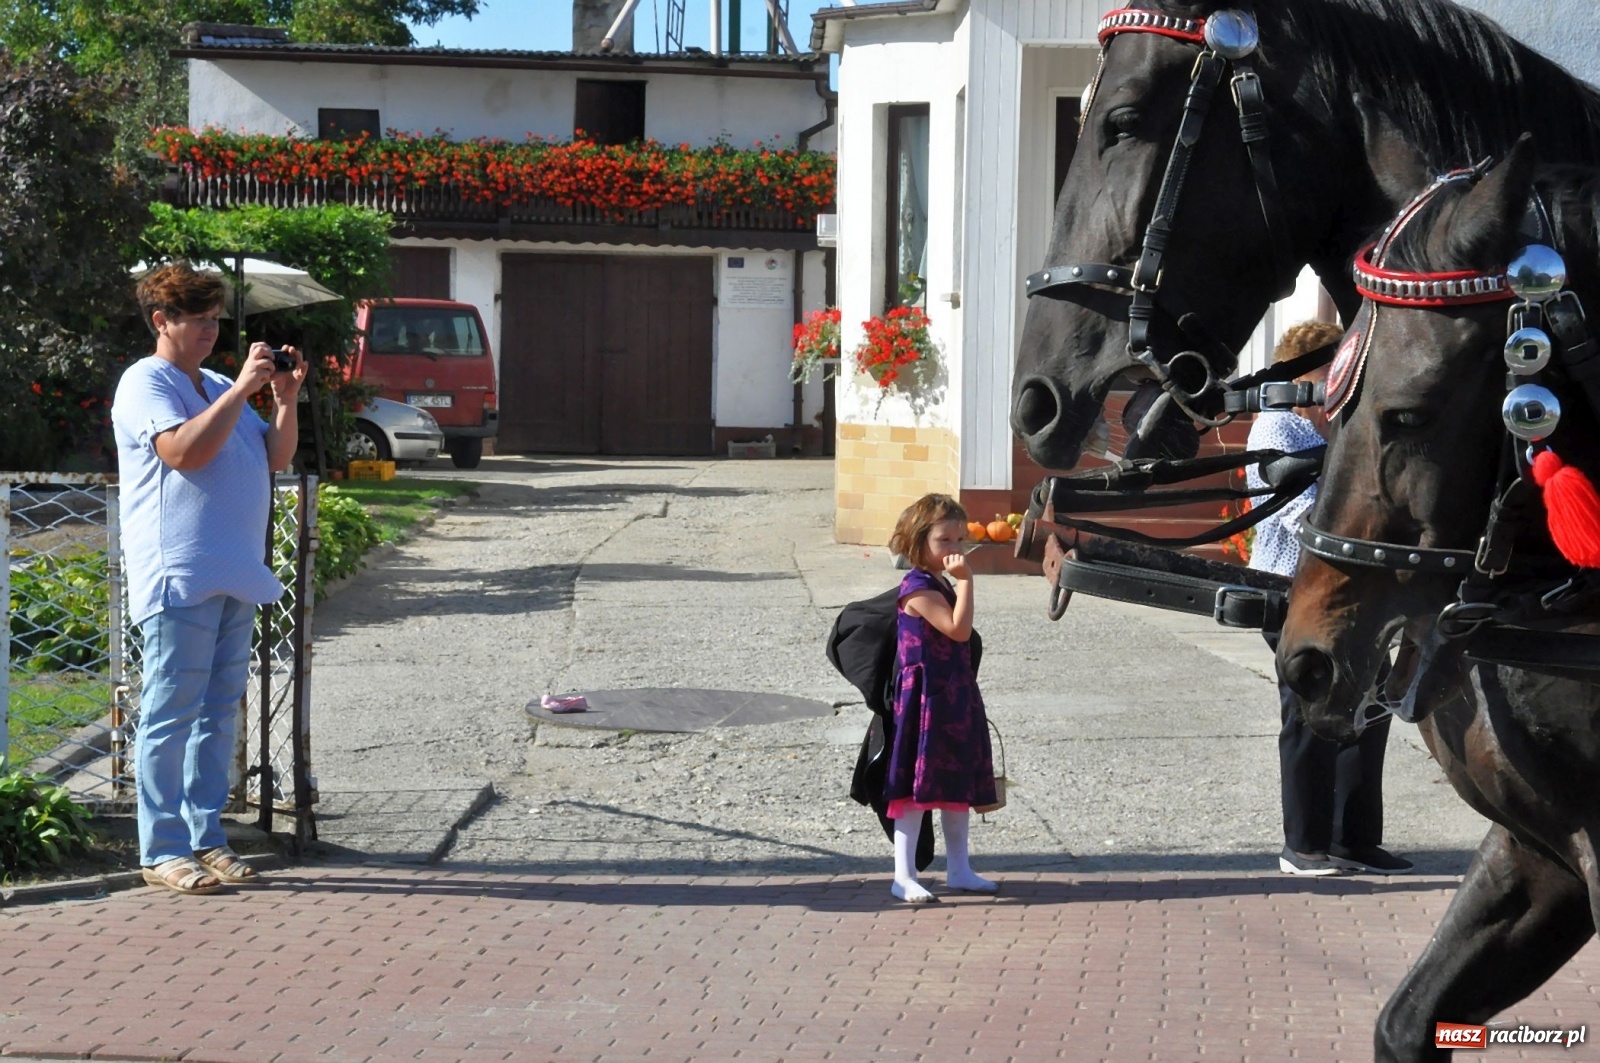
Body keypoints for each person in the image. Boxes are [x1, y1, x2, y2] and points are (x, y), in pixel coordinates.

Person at [112, 261, 306, 895]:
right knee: (170, 714)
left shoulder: (218, 381)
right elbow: (184, 453)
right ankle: (161, 848)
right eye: (197, 320)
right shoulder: (147, 381)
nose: (209, 331)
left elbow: (275, 456)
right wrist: (237, 393)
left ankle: (205, 836)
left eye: (215, 320)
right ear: (161, 320)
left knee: (217, 713)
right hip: (180, 573)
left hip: (233, 571)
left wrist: (282, 401)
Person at [1248, 321, 1412, 877]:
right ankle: (1304, 845)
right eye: (1332, 366)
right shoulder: (1278, 428)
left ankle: (1354, 839)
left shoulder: (1323, 427)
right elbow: (1293, 513)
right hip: (1292, 587)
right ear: (1305, 370)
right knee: (1311, 712)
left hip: (1343, 591)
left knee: (1370, 707)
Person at [882, 493, 1000, 902]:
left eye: (959, 539)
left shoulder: (937, 582)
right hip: (925, 701)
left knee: (955, 783)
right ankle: (903, 874)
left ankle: (959, 869)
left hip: (952, 695)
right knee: (915, 790)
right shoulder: (917, 587)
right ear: (918, 543)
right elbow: (958, 629)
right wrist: (966, 582)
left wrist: (959, 582)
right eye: (944, 541)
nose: (955, 549)